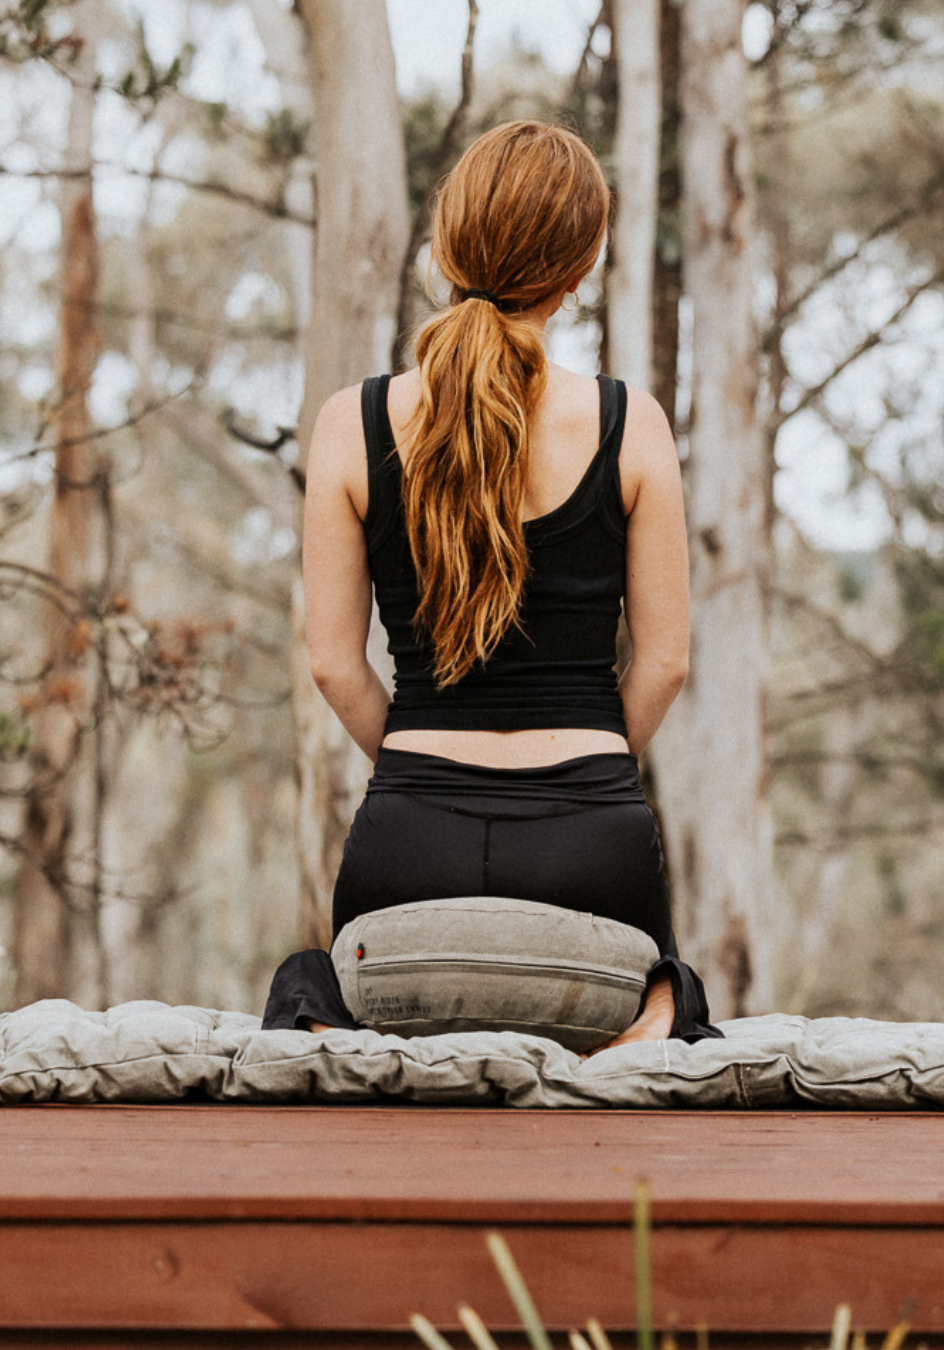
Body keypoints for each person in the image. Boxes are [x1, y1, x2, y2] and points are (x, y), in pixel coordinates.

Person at [262, 118, 722, 1049]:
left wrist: (415, 760)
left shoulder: (351, 423)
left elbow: (332, 665)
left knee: (304, 979)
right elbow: (665, 663)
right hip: (593, 849)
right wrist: (586, 768)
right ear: (578, 273)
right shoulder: (630, 425)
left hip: (408, 846)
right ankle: (649, 1029)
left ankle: (343, 1033)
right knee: (677, 984)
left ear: (446, 248)